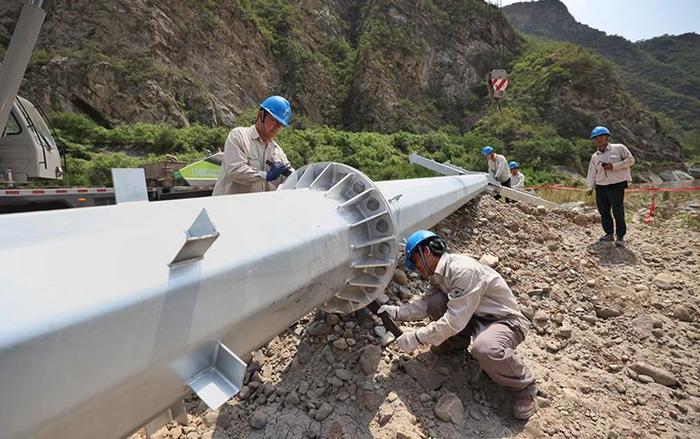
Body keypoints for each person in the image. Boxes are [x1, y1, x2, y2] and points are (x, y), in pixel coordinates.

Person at [379, 230, 538, 420]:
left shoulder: (463, 271)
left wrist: (417, 337)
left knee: (485, 349)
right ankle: (456, 345)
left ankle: (524, 388)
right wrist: (396, 312)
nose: (415, 268)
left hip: (503, 321)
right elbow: (424, 304)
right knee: (436, 301)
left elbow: (454, 320)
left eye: (415, 261)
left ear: (427, 252)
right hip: (474, 315)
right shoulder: (437, 275)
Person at [212, 95, 294, 196]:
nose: (277, 127)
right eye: (274, 120)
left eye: (281, 124)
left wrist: (291, 176)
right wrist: (266, 175)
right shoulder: (239, 136)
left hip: (257, 209)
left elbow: (292, 178)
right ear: (261, 115)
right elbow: (235, 170)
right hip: (229, 208)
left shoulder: (277, 152)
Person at [585, 126, 635, 247]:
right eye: (596, 138)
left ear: (607, 137)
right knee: (604, 211)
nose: (599, 140)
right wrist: (590, 187)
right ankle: (609, 233)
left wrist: (614, 166)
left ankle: (620, 236)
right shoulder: (595, 157)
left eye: (601, 137)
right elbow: (592, 173)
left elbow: (631, 160)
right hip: (601, 186)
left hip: (617, 185)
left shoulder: (619, 148)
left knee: (618, 211)